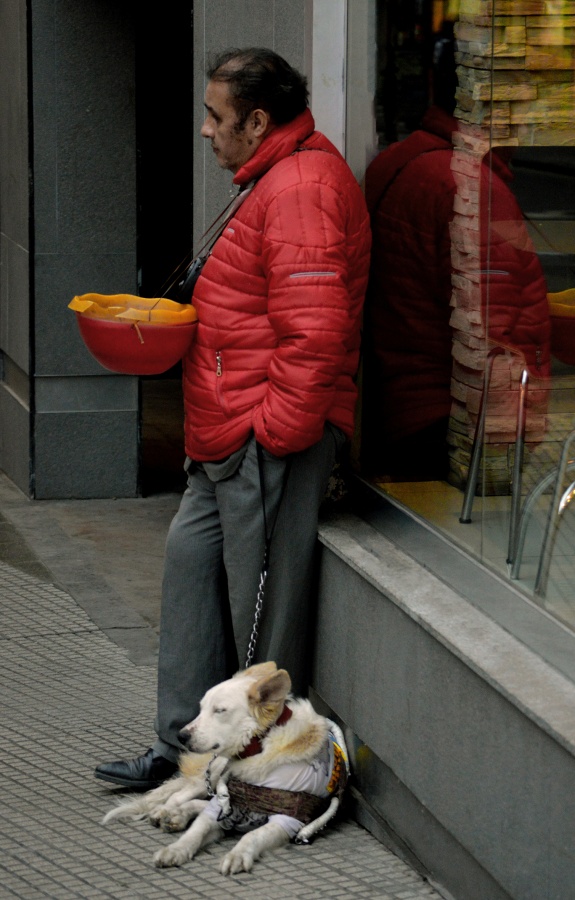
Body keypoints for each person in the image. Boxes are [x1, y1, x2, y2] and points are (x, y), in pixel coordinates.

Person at [95, 48, 371, 790]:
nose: (204, 130)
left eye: (216, 116)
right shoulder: (274, 177)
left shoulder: (303, 187)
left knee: (261, 625)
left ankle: (253, 777)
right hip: (229, 436)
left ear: (257, 119)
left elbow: (314, 335)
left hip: (262, 438)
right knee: (191, 579)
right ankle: (180, 751)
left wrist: (272, 433)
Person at [361, 35, 551, 481]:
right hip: (448, 424)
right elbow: (496, 334)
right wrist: (503, 447)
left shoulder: (400, 162)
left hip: (400, 412)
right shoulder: (474, 190)